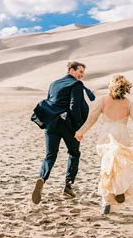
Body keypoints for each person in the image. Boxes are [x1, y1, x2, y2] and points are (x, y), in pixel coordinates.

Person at [75, 74, 133, 214]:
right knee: (120, 168)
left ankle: (107, 201)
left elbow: (91, 119)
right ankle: (119, 191)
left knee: (107, 169)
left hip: (106, 136)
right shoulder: (129, 103)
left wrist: (81, 132)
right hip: (122, 136)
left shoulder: (103, 100)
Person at [31, 61, 95, 204]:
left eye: (83, 72)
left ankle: (42, 177)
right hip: (67, 126)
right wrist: (77, 126)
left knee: (50, 155)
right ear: (71, 70)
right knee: (74, 153)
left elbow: (50, 101)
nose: (82, 75)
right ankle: (68, 186)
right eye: (80, 71)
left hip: (51, 124)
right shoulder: (76, 84)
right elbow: (74, 106)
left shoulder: (53, 83)